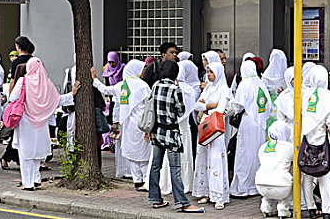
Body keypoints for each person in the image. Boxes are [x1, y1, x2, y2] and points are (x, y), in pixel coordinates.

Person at [9, 57, 79, 190]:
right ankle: (36, 179)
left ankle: (28, 183)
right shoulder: (46, 83)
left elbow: (13, 98)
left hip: (25, 121)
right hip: (41, 122)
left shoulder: (23, 81)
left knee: (25, 153)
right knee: (37, 152)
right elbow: (58, 100)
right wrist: (72, 94)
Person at [145, 60, 204, 213]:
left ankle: (155, 198)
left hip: (157, 132)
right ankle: (182, 202)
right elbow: (180, 111)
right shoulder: (175, 89)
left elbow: (150, 105)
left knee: (155, 166)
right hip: (171, 134)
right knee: (175, 168)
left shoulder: (156, 85)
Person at [92, 60, 152, 190]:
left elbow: (105, 89)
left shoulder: (121, 85)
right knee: (144, 154)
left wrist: (95, 79)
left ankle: (137, 181)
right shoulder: (143, 86)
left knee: (132, 154)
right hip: (142, 125)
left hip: (128, 126)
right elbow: (149, 106)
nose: (143, 72)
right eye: (142, 69)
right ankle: (147, 180)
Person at [301, 65, 330, 219]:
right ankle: (326, 211)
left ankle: (311, 208)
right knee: (324, 177)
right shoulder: (329, 98)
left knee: (307, 176)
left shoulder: (304, 95)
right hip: (322, 141)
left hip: (306, 141)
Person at [230, 60, 272, 197]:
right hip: (260, 124)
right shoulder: (261, 83)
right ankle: (256, 186)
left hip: (248, 122)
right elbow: (268, 105)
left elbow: (238, 105)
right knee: (257, 154)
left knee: (244, 155)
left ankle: (242, 187)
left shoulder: (245, 84)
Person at [193, 62, 231, 210]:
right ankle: (206, 192)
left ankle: (218, 196)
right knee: (203, 156)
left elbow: (221, 109)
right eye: (207, 72)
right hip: (205, 126)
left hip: (216, 127)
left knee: (216, 158)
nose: (208, 75)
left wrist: (206, 105)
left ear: (219, 73)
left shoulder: (225, 90)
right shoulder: (208, 88)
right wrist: (210, 105)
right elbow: (197, 106)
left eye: (211, 72)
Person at [255, 120, 293, 219]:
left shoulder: (263, 146)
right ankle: (283, 208)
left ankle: (266, 207)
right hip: (281, 186)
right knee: (292, 177)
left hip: (260, 184)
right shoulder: (289, 147)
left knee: (271, 176)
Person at [0, 64, 26, 170]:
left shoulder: (22, 81)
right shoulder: (21, 81)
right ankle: (6, 158)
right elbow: (13, 97)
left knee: (18, 139)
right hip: (19, 114)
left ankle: (8, 158)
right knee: (17, 139)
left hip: (21, 114)